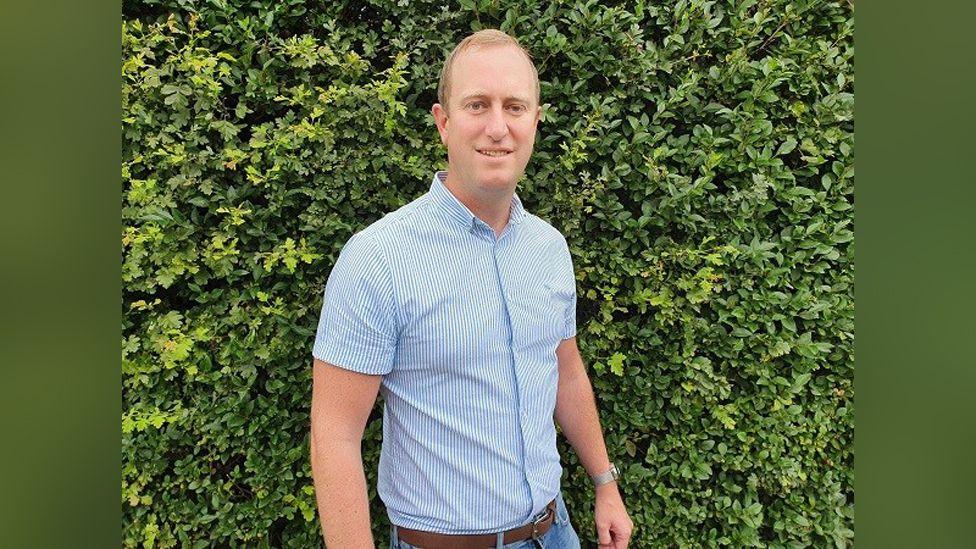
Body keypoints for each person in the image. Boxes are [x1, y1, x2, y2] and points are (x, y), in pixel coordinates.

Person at [310, 29, 633, 549]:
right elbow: (335, 436)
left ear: (536, 120)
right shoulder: (377, 259)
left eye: (515, 107)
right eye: (477, 105)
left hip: (557, 532)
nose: (498, 127)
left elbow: (564, 369)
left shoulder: (548, 248)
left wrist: (604, 483)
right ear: (444, 122)